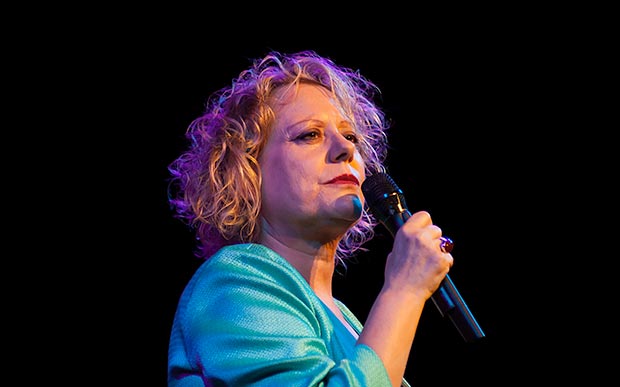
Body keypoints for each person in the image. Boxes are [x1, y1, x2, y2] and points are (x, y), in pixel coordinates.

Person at [166, 50, 454, 387]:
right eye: (309, 135)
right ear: (247, 173)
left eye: (350, 137)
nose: (345, 150)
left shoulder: (347, 323)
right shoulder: (233, 282)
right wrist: (405, 288)